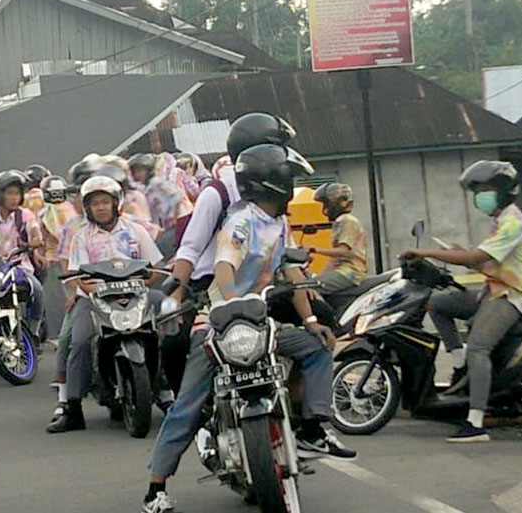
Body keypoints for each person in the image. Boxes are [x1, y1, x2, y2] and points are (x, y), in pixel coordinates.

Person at [141, 144, 354, 513]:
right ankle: (156, 486)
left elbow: (293, 274)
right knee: (188, 404)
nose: (292, 185)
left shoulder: (280, 223)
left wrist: (312, 321)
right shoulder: (241, 219)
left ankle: (313, 426)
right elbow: (224, 265)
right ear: (274, 182)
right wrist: (234, 304)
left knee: (316, 347)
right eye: (289, 178)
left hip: (261, 322)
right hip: (219, 324)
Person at [401, 160, 522, 443]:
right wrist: (456, 253)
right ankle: (459, 360)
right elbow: (482, 260)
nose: (480, 195)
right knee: (438, 304)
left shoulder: (513, 223)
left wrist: (429, 253)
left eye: (485, 189)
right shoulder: (500, 221)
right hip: (492, 291)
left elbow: (476, 258)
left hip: (512, 297)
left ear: (503, 191)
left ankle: (475, 423)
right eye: (477, 190)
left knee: (478, 346)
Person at [167, 112, 295, 390]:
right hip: (213, 287)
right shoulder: (218, 193)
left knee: (316, 327)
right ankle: (187, 405)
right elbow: (190, 247)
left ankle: (304, 415)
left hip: (261, 287)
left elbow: (285, 248)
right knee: (176, 341)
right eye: (276, 149)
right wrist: (177, 293)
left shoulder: (277, 193)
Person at [47, 175, 167, 433]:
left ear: (116, 203)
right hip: (94, 299)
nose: (100, 207)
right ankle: (72, 407)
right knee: (77, 341)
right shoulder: (82, 237)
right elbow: (79, 277)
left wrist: (143, 285)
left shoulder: (137, 231)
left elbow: (156, 267)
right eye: (94, 203)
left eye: (105, 202)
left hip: (137, 295)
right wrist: (96, 289)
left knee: (169, 320)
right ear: (87, 208)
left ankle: (167, 390)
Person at [0, 170, 45, 335]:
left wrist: (35, 240)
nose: (14, 198)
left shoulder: (25, 215)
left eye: (17, 194)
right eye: (10, 193)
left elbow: (34, 230)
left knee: (38, 292)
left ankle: (34, 331)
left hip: (21, 268)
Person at [310, 182, 368, 311]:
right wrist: (319, 277)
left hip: (350, 271)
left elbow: (343, 251)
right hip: (342, 270)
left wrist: (313, 249)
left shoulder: (347, 220)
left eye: (325, 204)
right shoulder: (340, 222)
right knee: (309, 284)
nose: (324, 210)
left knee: (307, 290)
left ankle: (327, 320)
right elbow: (334, 260)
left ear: (333, 203)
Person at [129, 153, 192, 232]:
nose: (137, 175)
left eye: (140, 171)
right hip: (168, 227)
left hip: (178, 224)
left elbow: (177, 197)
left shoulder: (156, 183)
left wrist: (175, 219)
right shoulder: (145, 190)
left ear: (148, 170)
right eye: (134, 172)